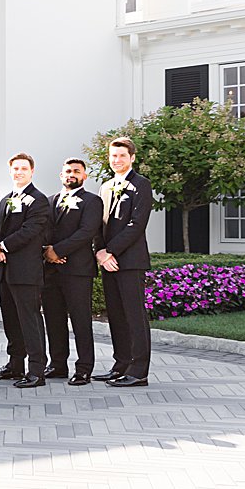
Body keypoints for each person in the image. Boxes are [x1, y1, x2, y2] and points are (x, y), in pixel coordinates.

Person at [94, 137, 153, 388]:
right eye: (113, 156)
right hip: (108, 261)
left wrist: (110, 251)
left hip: (130, 261)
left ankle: (139, 371)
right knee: (116, 315)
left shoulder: (142, 185)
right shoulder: (106, 186)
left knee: (134, 315)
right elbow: (99, 224)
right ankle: (121, 365)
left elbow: (137, 225)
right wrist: (100, 252)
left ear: (132, 158)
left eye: (121, 155)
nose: (116, 160)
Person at [0, 153, 52, 388]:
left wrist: (2, 246)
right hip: (6, 269)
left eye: (23, 168)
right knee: (10, 318)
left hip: (26, 269)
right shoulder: (6, 199)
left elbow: (31, 230)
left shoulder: (38, 200)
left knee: (30, 318)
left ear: (32, 171)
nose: (19, 172)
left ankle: (36, 369)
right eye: (15, 168)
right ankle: (15, 363)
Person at [42, 158, 102, 386]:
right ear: (61, 175)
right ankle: (58, 364)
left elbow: (87, 232)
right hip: (51, 270)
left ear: (84, 176)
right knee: (54, 319)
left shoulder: (92, 201)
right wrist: (47, 251)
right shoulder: (49, 201)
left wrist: (58, 250)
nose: (71, 174)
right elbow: (42, 230)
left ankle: (84, 367)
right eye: (67, 171)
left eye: (77, 171)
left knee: (80, 320)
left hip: (78, 270)